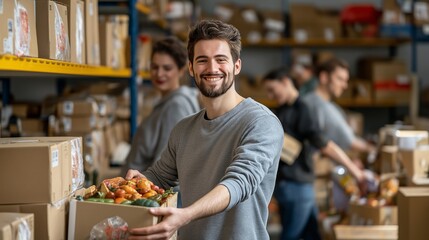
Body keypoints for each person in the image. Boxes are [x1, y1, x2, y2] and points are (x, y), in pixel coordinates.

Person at [126, 19, 284, 240]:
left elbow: (239, 182)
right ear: (191, 68)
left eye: (221, 60)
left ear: (237, 66)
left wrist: (186, 214)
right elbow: (160, 176)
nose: (212, 69)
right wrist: (136, 181)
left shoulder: (261, 122)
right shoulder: (183, 129)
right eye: (202, 60)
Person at [262, 67, 366, 240]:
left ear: (286, 82)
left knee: (300, 235)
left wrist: (355, 172)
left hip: (297, 186)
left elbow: (324, 144)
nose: (270, 96)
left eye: (272, 90)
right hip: (290, 186)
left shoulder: (302, 109)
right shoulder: (282, 111)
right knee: (306, 235)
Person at [121, 37, 200, 176]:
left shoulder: (176, 106)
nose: (159, 74)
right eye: (154, 67)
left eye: (167, 68)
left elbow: (166, 165)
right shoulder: (166, 102)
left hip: (147, 192)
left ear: (181, 70)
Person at [303, 58, 375, 154]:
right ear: (324, 77)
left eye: (346, 81)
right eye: (340, 79)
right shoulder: (321, 106)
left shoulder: (306, 99)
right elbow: (351, 142)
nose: (345, 86)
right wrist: (374, 149)